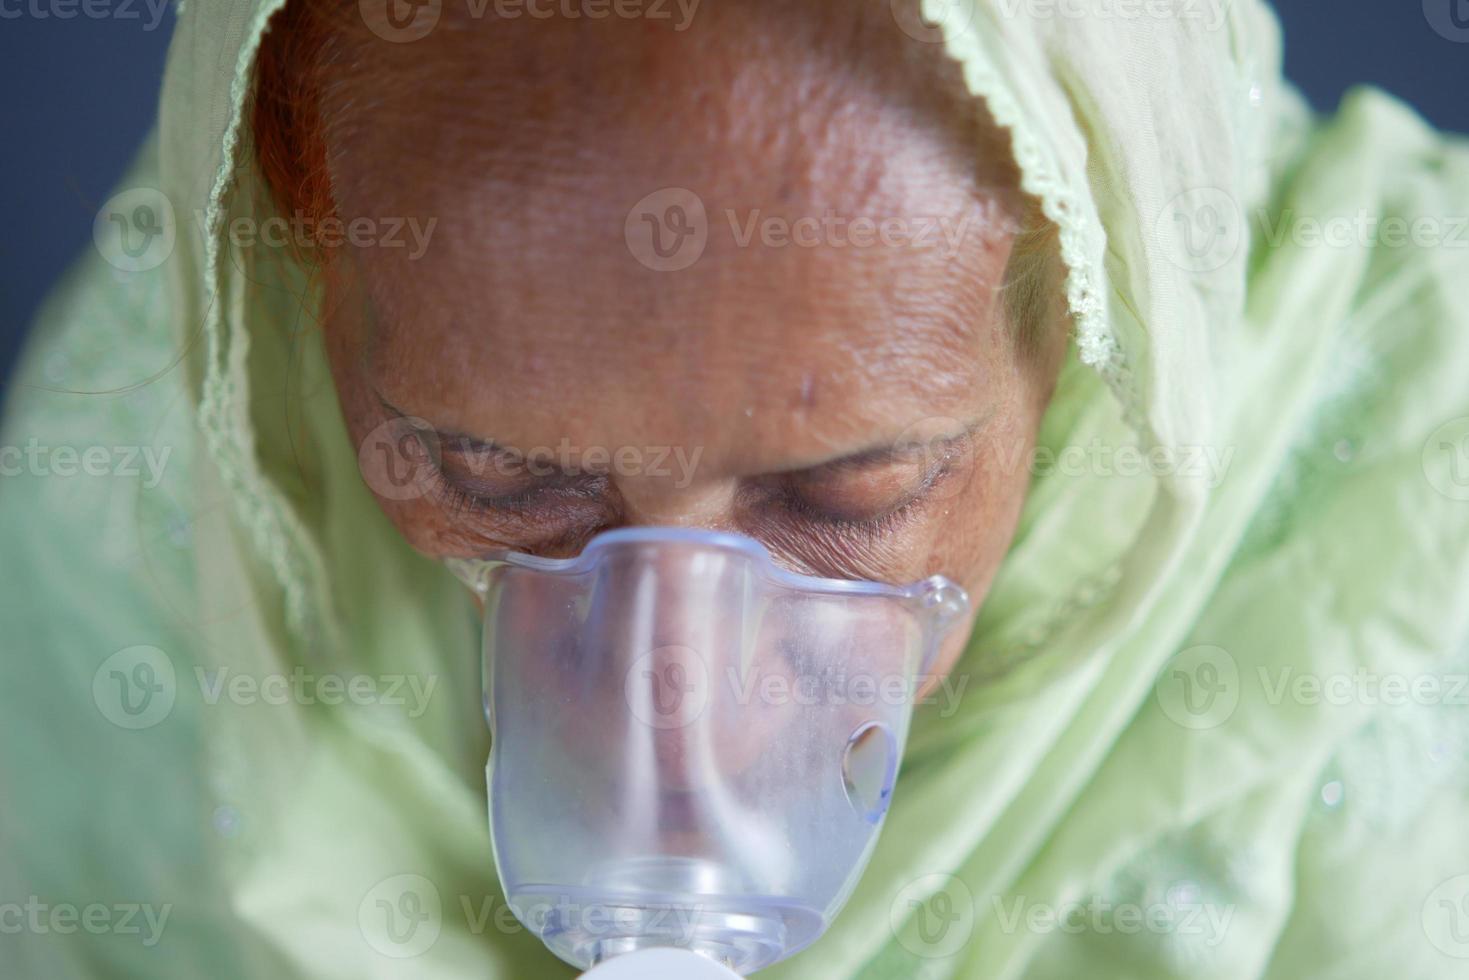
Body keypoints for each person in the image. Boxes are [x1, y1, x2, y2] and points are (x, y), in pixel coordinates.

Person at [2, 0, 1467, 976]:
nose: (677, 715)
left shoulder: (1419, 505)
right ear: (297, 267)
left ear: (1099, 320)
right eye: (492, 473)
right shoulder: (174, 425)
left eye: (850, 491)